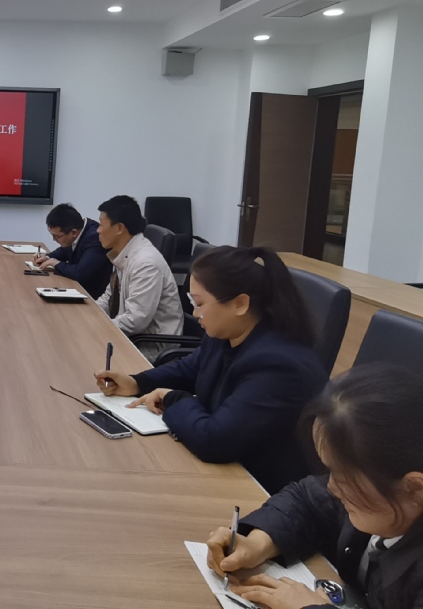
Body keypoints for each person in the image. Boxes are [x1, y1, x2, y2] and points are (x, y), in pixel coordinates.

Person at [95, 245, 327, 494]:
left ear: (240, 304)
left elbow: (214, 441)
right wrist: (137, 382)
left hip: (264, 488)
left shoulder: (278, 366)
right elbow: (190, 369)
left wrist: (173, 399)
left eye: (199, 303)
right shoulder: (230, 333)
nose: (195, 313)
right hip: (232, 467)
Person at [206, 363, 423, 609]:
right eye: (330, 470)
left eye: (344, 479)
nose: (331, 487)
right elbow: (307, 500)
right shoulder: (381, 492)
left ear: (415, 490)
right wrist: (259, 542)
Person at [93, 195, 183, 359]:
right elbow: (109, 298)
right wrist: (89, 316)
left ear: (119, 228)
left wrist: (97, 328)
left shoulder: (145, 263)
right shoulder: (124, 253)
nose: (97, 230)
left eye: (101, 224)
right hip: (132, 336)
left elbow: (136, 320)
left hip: (150, 346)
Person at [32, 202, 110, 298]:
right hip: (78, 288)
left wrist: (56, 263)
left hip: (92, 296)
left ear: (74, 232)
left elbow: (80, 273)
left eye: (57, 236)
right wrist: (47, 257)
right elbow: (65, 250)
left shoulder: (95, 239)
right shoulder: (79, 229)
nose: (54, 240)